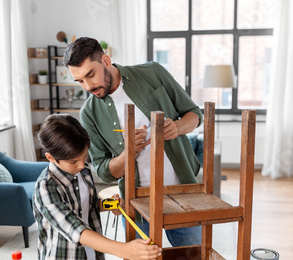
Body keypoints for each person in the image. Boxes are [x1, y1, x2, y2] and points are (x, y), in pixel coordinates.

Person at [64, 37, 203, 247]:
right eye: (80, 81)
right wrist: (128, 152)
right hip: (136, 205)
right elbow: (104, 171)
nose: (88, 86)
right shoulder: (89, 113)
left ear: (106, 61)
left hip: (183, 193)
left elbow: (194, 114)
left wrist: (177, 128)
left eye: (90, 75)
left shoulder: (153, 72)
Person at [32, 114, 161, 260]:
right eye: (73, 162)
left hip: (91, 259)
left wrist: (107, 205)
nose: (81, 165)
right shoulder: (46, 187)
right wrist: (124, 250)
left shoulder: (83, 171)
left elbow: (86, 204)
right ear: (51, 158)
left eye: (84, 157)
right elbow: (74, 228)